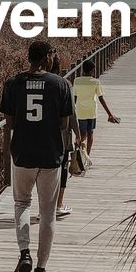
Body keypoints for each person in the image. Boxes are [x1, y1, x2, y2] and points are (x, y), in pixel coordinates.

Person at [0, 39, 73, 272]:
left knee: (21, 203)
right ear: (47, 57)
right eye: (53, 54)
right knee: (48, 212)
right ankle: (40, 271)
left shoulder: (12, 84)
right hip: (51, 155)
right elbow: (65, 125)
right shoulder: (61, 84)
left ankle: (24, 253)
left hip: (22, 153)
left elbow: (9, 123)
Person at [50, 51, 82, 218]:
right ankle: (58, 204)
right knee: (62, 169)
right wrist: (78, 133)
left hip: (41, 136)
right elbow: (71, 112)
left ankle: (46, 207)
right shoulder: (64, 84)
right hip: (61, 136)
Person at [73, 57, 119, 156]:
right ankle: (87, 156)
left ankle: (80, 153)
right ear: (92, 70)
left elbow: (74, 98)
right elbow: (101, 98)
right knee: (90, 134)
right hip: (91, 112)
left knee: (81, 134)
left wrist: (71, 113)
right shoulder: (95, 82)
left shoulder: (77, 81)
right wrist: (110, 114)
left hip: (80, 112)